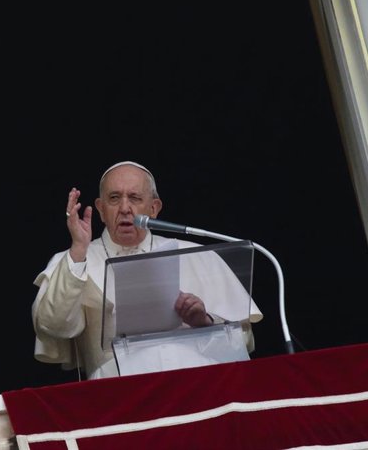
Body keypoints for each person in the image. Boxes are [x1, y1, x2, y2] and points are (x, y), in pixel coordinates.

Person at [32, 161, 263, 379]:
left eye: (134, 197)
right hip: (117, 396)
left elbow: (243, 340)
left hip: (196, 387)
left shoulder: (196, 256)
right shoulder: (74, 260)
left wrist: (204, 321)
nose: (125, 208)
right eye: (114, 198)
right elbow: (54, 327)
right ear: (101, 210)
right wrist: (79, 250)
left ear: (154, 208)